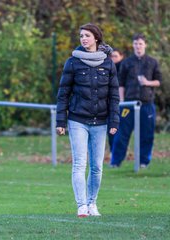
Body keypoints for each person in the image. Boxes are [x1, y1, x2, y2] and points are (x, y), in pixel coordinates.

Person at [56, 23, 120, 217]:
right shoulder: (72, 62)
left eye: (87, 36)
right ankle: (81, 205)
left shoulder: (108, 63)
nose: (83, 39)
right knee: (79, 164)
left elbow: (114, 95)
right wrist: (60, 122)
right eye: (81, 36)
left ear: (96, 39)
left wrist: (114, 121)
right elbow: (63, 93)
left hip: (100, 122)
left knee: (97, 167)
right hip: (77, 121)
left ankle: (92, 203)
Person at [110, 33, 162, 168]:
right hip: (128, 104)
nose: (138, 46)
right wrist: (121, 101)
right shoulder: (127, 62)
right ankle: (116, 162)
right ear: (133, 45)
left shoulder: (152, 62)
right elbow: (120, 84)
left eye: (140, 43)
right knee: (121, 134)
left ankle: (144, 161)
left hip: (146, 104)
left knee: (146, 134)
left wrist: (147, 82)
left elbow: (158, 82)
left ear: (145, 45)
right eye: (135, 44)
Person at [108, 49, 125, 151]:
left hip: (120, 103)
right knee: (110, 129)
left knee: (119, 129)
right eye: (111, 56)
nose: (113, 58)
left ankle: (117, 152)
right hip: (109, 103)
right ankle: (112, 152)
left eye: (115, 56)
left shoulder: (123, 68)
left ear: (121, 56)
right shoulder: (108, 68)